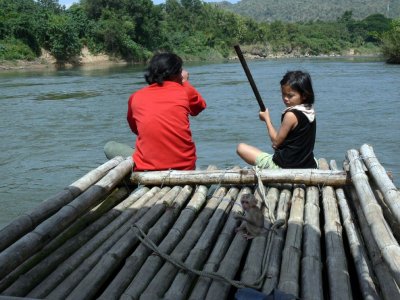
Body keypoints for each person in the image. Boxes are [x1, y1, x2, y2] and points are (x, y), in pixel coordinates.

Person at [105, 52, 206, 171]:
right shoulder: (184, 91)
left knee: (109, 147)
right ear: (176, 74)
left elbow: (136, 129)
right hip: (185, 167)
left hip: (148, 168)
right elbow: (199, 107)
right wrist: (184, 82)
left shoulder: (136, 97)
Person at [237, 70, 317, 169]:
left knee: (241, 148)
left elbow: (276, 142)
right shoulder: (310, 111)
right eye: (283, 94)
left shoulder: (291, 115)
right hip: (308, 165)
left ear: (304, 95)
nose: (285, 99)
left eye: (290, 95)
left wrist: (267, 119)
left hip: (285, 166)